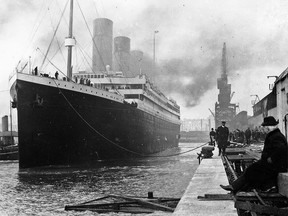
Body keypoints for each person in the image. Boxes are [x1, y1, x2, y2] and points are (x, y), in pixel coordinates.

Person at [220, 116, 288, 193]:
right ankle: (236, 188)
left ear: (270, 127)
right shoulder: (274, 135)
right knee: (251, 170)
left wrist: (272, 158)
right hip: (272, 164)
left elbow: (282, 149)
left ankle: (236, 188)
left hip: (276, 166)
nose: (264, 129)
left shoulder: (276, 136)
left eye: (265, 127)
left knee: (252, 171)